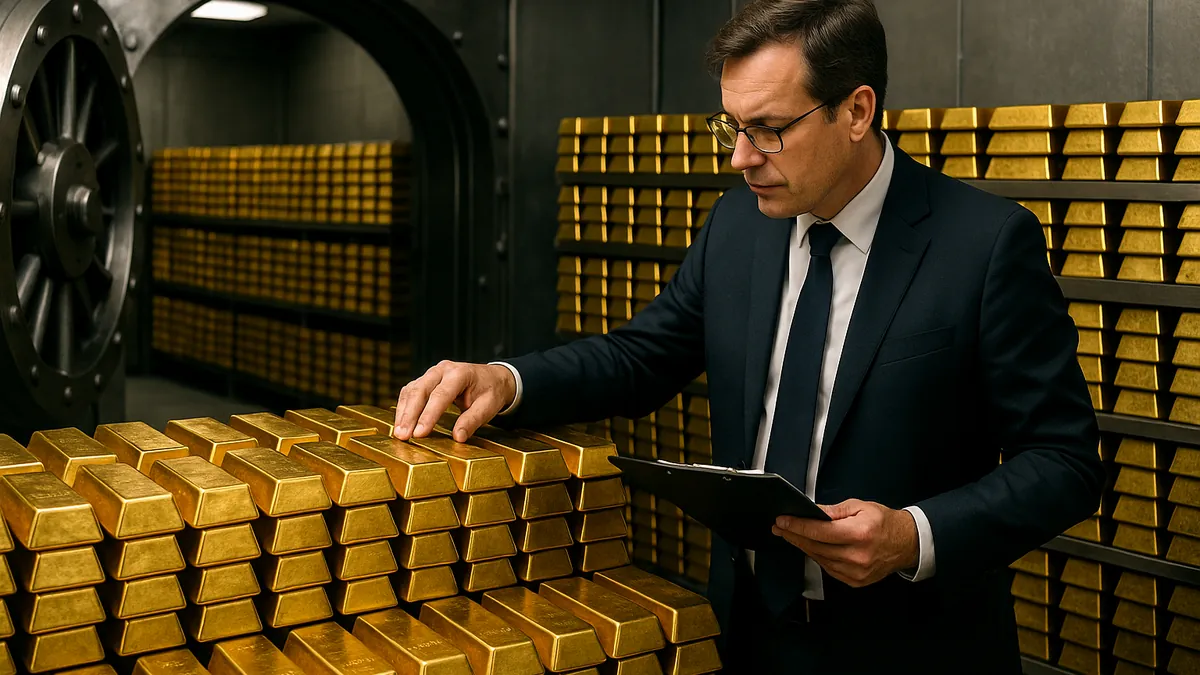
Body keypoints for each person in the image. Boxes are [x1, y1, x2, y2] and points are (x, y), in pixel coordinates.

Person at [392, 0, 1105, 672]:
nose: (740, 157)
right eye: (730, 126)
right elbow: (643, 354)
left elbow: (1066, 460)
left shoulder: (982, 245)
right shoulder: (738, 226)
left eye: (767, 128)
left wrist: (913, 534)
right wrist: (506, 380)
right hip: (748, 630)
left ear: (856, 111)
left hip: (915, 644)